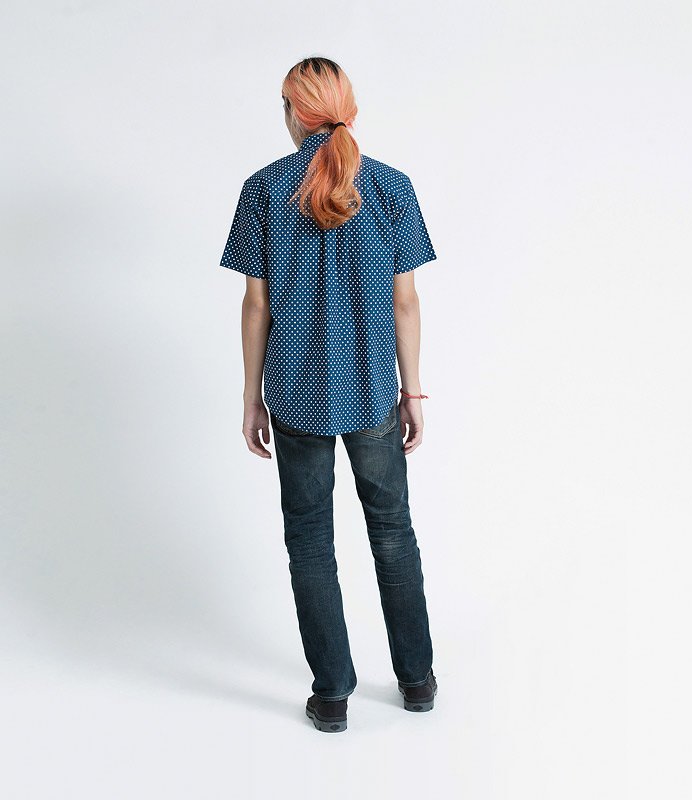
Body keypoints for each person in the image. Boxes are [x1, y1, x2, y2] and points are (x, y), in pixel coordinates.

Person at [219, 56, 438, 733]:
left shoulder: (263, 188)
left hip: (295, 394)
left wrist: (251, 396)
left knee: (310, 540)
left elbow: (256, 306)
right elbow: (406, 302)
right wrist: (413, 391)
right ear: (348, 108)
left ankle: (334, 694)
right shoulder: (391, 186)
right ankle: (417, 681)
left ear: (294, 112)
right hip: (372, 389)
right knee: (393, 530)